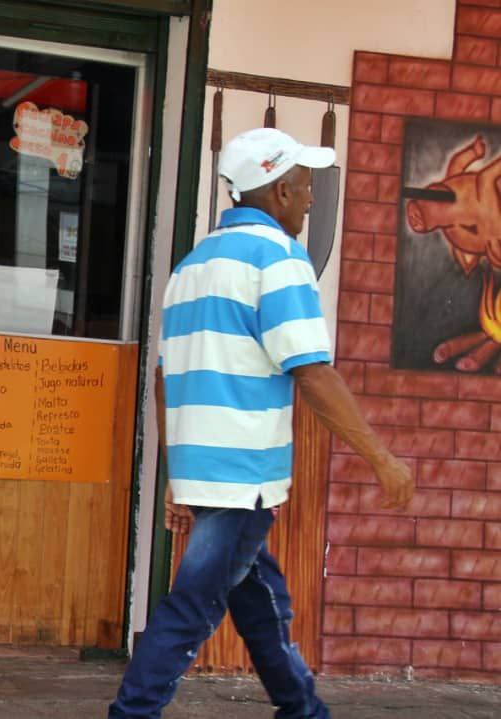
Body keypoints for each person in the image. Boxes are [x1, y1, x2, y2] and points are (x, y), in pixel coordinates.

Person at [108, 127, 415, 719]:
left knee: (260, 602)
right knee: (192, 608)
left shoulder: (192, 267)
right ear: (276, 190)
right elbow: (313, 373)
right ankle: (132, 712)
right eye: (303, 186)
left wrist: (179, 475)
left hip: (210, 472)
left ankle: (302, 709)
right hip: (242, 472)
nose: (310, 199)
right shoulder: (279, 260)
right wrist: (382, 458)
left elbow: (165, 380)